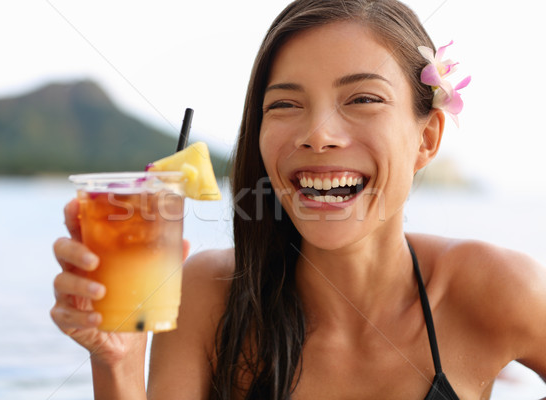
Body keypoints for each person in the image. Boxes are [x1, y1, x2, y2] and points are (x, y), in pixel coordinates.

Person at [51, 0, 546, 399]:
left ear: (428, 138)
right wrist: (116, 361)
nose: (319, 134)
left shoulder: (495, 290)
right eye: (285, 104)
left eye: (363, 99)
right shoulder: (210, 295)